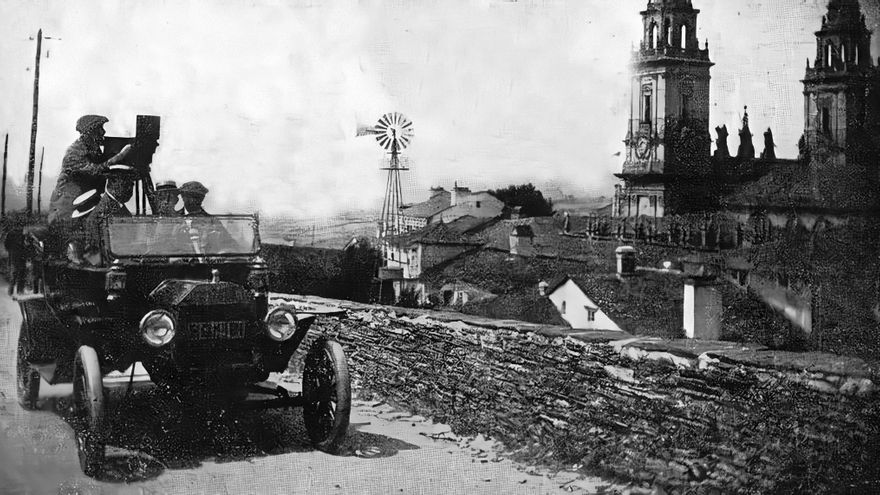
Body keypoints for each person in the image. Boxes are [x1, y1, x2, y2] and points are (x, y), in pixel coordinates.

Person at [47, 115, 133, 224]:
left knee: (123, 217)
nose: (103, 132)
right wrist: (120, 156)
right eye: (100, 129)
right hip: (68, 209)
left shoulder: (94, 150)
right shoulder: (74, 152)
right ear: (90, 132)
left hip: (85, 201)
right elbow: (95, 170)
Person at [82, 166, 137, 261]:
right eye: (126, 182)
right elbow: (93, 257)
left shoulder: (123, 211)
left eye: (132, 184)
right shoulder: (97, 217)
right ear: (112, 182)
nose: (130, 188)